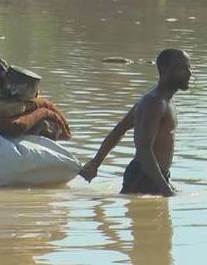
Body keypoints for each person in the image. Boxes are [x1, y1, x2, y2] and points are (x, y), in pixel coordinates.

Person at [79, 49, 192, 196]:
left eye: (189, 68)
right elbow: (144, 150)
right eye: (183, 69)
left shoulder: (164, 99)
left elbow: (120, 129)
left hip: (156, 177)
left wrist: (95, 164)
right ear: (165, 71)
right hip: (144, 177)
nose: (189, 73)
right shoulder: (155, 103)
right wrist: (166, 190)